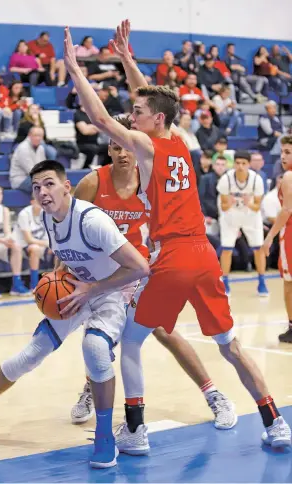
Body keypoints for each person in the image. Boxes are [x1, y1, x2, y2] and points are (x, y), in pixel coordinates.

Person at [64, 20, 291, 457]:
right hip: (203, 254)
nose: (133, 115)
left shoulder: (144, 147)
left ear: (156, 120)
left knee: (130, 342)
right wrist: (128, 60)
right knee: (231, 345)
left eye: (139, 113)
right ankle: (274, 420)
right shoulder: (180, 141)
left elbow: (98, 117)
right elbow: (152, 99)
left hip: (171, 256)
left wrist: (76, 69)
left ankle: (135, 428)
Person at [0, 160, 150, 471]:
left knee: (93, 348)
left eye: (49, 183)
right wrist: (51, 285)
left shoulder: (92, 221)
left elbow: (139, 268)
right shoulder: (49, 218)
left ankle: (105, 436)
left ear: (67, 186)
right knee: (30, 354)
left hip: (110, 293)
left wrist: (91, 290)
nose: (42, 191)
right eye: (37, 187)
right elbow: (64, 256)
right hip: (77, 289)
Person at [71, 116, 236, 430]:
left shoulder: (150, 179)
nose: (122, 153)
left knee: (163, 331)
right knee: (99, 336)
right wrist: (65, 268)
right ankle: (91, 388)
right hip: (102, 273)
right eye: (115, 146)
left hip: (138, 270)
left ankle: (214, 394)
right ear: (108, 148)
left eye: (126, 147)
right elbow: (70, 228)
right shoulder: (93, 182)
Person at [217, 151, 268, 296]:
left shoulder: (256, 180)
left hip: (250, 214)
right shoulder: (225, 179)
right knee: (227, 248)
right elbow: (223, 206)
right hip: (231, 215)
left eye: (243, 163)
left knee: (258, 248)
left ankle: (262, 282)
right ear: (234, 164)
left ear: (249, 164)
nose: (240, 166)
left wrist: (248, 203)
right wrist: (231, 202)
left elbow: (257, 206)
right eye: (237, 163)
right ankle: (225, 282)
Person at [263, 136, 292, 344]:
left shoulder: (289, 176)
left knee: (289, 283)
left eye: (288, 152)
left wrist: (270, 236)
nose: (283, 156)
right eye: (282, 151)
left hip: (289, 233)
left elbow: (287, 210)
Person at [12, 198, 53, 289]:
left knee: (60, 249)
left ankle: (59, 280)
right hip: (23, 245)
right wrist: (50, 244)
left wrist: (53, 245)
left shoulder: (48, 213)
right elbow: (29, 240)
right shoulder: (24, 214)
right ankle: (34, 284)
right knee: (35, 248)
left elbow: (53, 235)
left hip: (41, 243)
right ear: (32, 202)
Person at [10, 126, 49, 193]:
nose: (38, 138)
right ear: (29, 135)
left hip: (35, 177)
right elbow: (31, 171)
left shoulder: (41, 148)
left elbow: (44, 166)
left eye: (40, 136)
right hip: (21, 180)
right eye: (35, 135)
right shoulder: (23, 148)